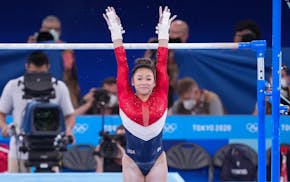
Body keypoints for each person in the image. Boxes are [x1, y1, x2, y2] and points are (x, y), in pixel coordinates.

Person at [103, 6, 176, 181]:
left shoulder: (161, 94)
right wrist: (115, 31)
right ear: (133, 81)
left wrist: (164, 30)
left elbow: (162, 62)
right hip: (131, 162)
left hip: (157, 160)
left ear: (155, 82)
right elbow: (122, 63)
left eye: (148, 79)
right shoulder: (125, 95)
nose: (144, 82)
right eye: (140, 78)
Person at [0, 51, 75, 172]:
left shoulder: (59, 86)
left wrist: (68, 129)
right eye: (34, 73)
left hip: (51, 146)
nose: (38, 78)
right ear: (27, 67)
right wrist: (4, 126)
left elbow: (70, 115)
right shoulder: (13, 86)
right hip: (20, 147)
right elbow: (1, 112)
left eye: (42, 73)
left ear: (48, 67)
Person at [27, 15, 81, 109]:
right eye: (48, 29)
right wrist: (29, 47)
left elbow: (67, 68)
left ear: (60, 31)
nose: (52, 31)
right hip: (33, 89)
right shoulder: (31, 45)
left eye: (56, 29)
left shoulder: (65, 48)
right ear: (41, 29)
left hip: (61, 90)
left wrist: (57, 50)